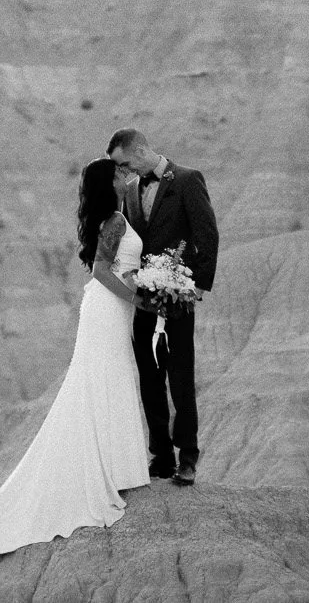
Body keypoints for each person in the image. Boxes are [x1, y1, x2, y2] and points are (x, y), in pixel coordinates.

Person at [0, 158, 149, 551]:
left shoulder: (117, 216)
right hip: (108, 308)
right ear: (110, 182)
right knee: (102, 380)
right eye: (120, 173)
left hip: (111, 309)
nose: (126, 176)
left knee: (111, 379)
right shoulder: (116, 222)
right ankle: (101, 473)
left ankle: (113, 467)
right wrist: (138, 297)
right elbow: (103, 271)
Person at [107, 127, 219, 486]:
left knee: (180, 378)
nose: (123, 172)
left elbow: (207, 235)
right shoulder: (130, 191)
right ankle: (161, 458)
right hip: (142, 299)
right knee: (149, 379)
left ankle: (188, 456)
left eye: (125, 163)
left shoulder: (187, 180)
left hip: (178, 300)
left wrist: (195, 288)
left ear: (140, 151)